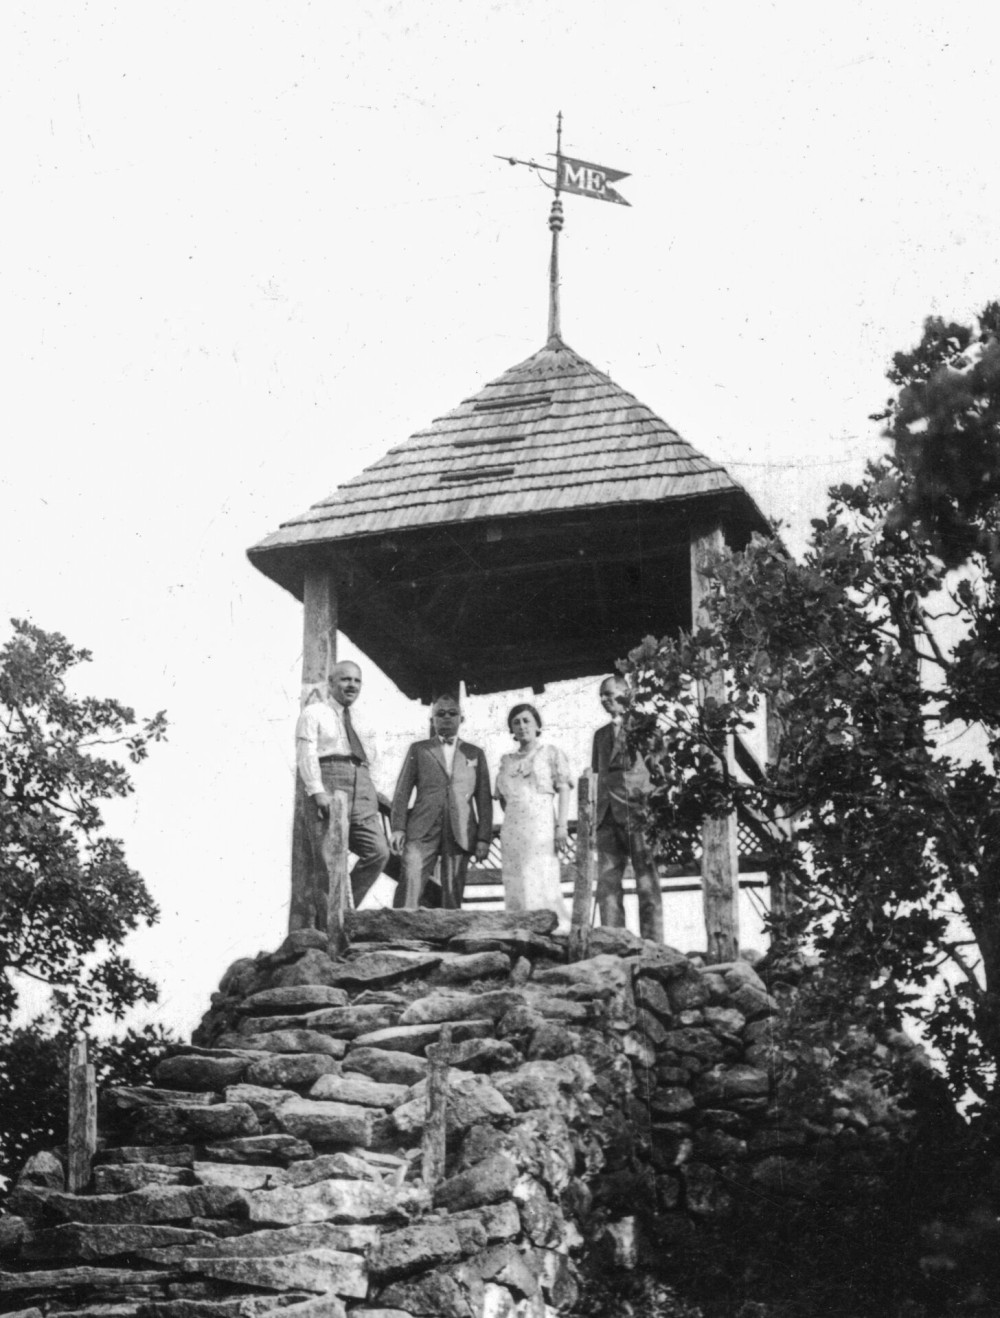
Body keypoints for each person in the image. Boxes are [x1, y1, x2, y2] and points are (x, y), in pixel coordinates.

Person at [296, 660, 390, 910]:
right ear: (331, 683)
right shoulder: (314, 712)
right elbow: (306, 753)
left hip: (362, 785)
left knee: (378, 851)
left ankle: (344, 911)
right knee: (328, 860)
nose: (352, 685)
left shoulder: (363, 718)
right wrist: (317, 791)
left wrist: (373, 791)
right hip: (330, 780)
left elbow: (375, 758)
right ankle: (330, 927)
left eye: (357, 681)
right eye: (345, 679)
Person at [389, 693, 493, 909]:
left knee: (453, 889)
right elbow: (402, 792)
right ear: (432, 720)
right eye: (440, 714)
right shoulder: (418, 749)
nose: (446, 717)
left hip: (460, 829)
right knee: (411, 874)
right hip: (423, 825)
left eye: (452, 713)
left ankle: (450, 939)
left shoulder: (475, 753)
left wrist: (484, 838)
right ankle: (397, 931)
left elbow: (484, 800)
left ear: (461, 719)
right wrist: (398, 828)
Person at [592, 674, 663, 941]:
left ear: (628, 695)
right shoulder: (599, 735)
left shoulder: (646, 728)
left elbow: (660, 772)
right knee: (608, 884)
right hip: (606, 815)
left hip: (637, 812)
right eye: (602, 696)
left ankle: (654, 945)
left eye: (610, 694)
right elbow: (598, 775)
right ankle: (613, 943)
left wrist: (651, 809)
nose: (605, 700)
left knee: (646, 882)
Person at [495, 703, 573, 932]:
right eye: (516, 722)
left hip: (541, 823)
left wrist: (561, 826)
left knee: (541, 874)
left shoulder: (550, 753)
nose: (522, 726)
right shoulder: (507, 761)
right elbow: (502, 797)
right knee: (516, 877)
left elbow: (564, 788)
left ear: (537, 724)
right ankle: (520, 931)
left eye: (527, 720)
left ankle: (550, 929)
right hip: (513, 827)